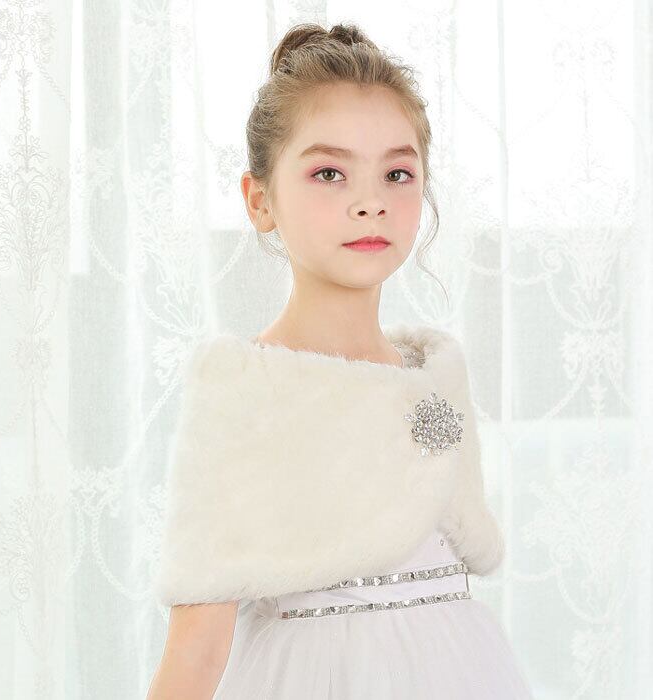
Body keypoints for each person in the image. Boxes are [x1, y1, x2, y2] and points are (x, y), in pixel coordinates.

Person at [148, 21, 535, 700]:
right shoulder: (245, 392)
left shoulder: (435, 380)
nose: (370, 202)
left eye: (397, 173)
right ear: (260, 200)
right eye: (329, 173)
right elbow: (196, 653)